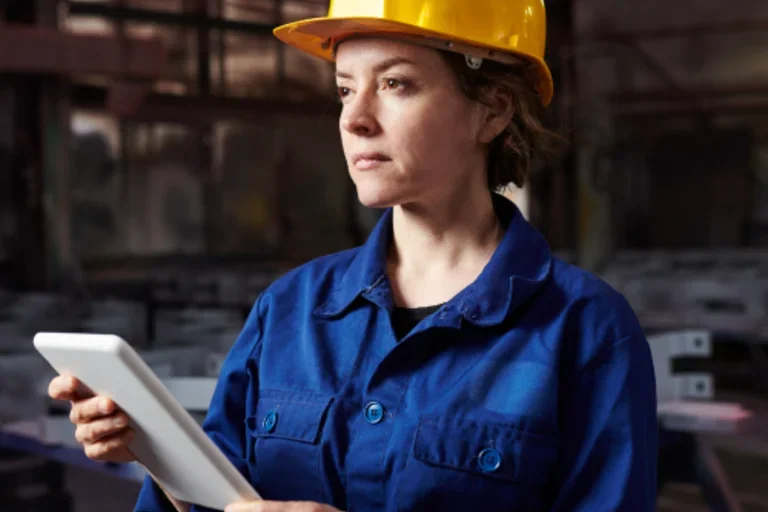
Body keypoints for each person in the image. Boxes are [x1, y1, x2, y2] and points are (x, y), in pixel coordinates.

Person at [48, 1, 658, 511]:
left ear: (493, 110)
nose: (356, 119)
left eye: (395, 84)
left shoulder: (586, 331)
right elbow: (220, 497)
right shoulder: (290, 308)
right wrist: (158, 455)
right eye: (345, 89)